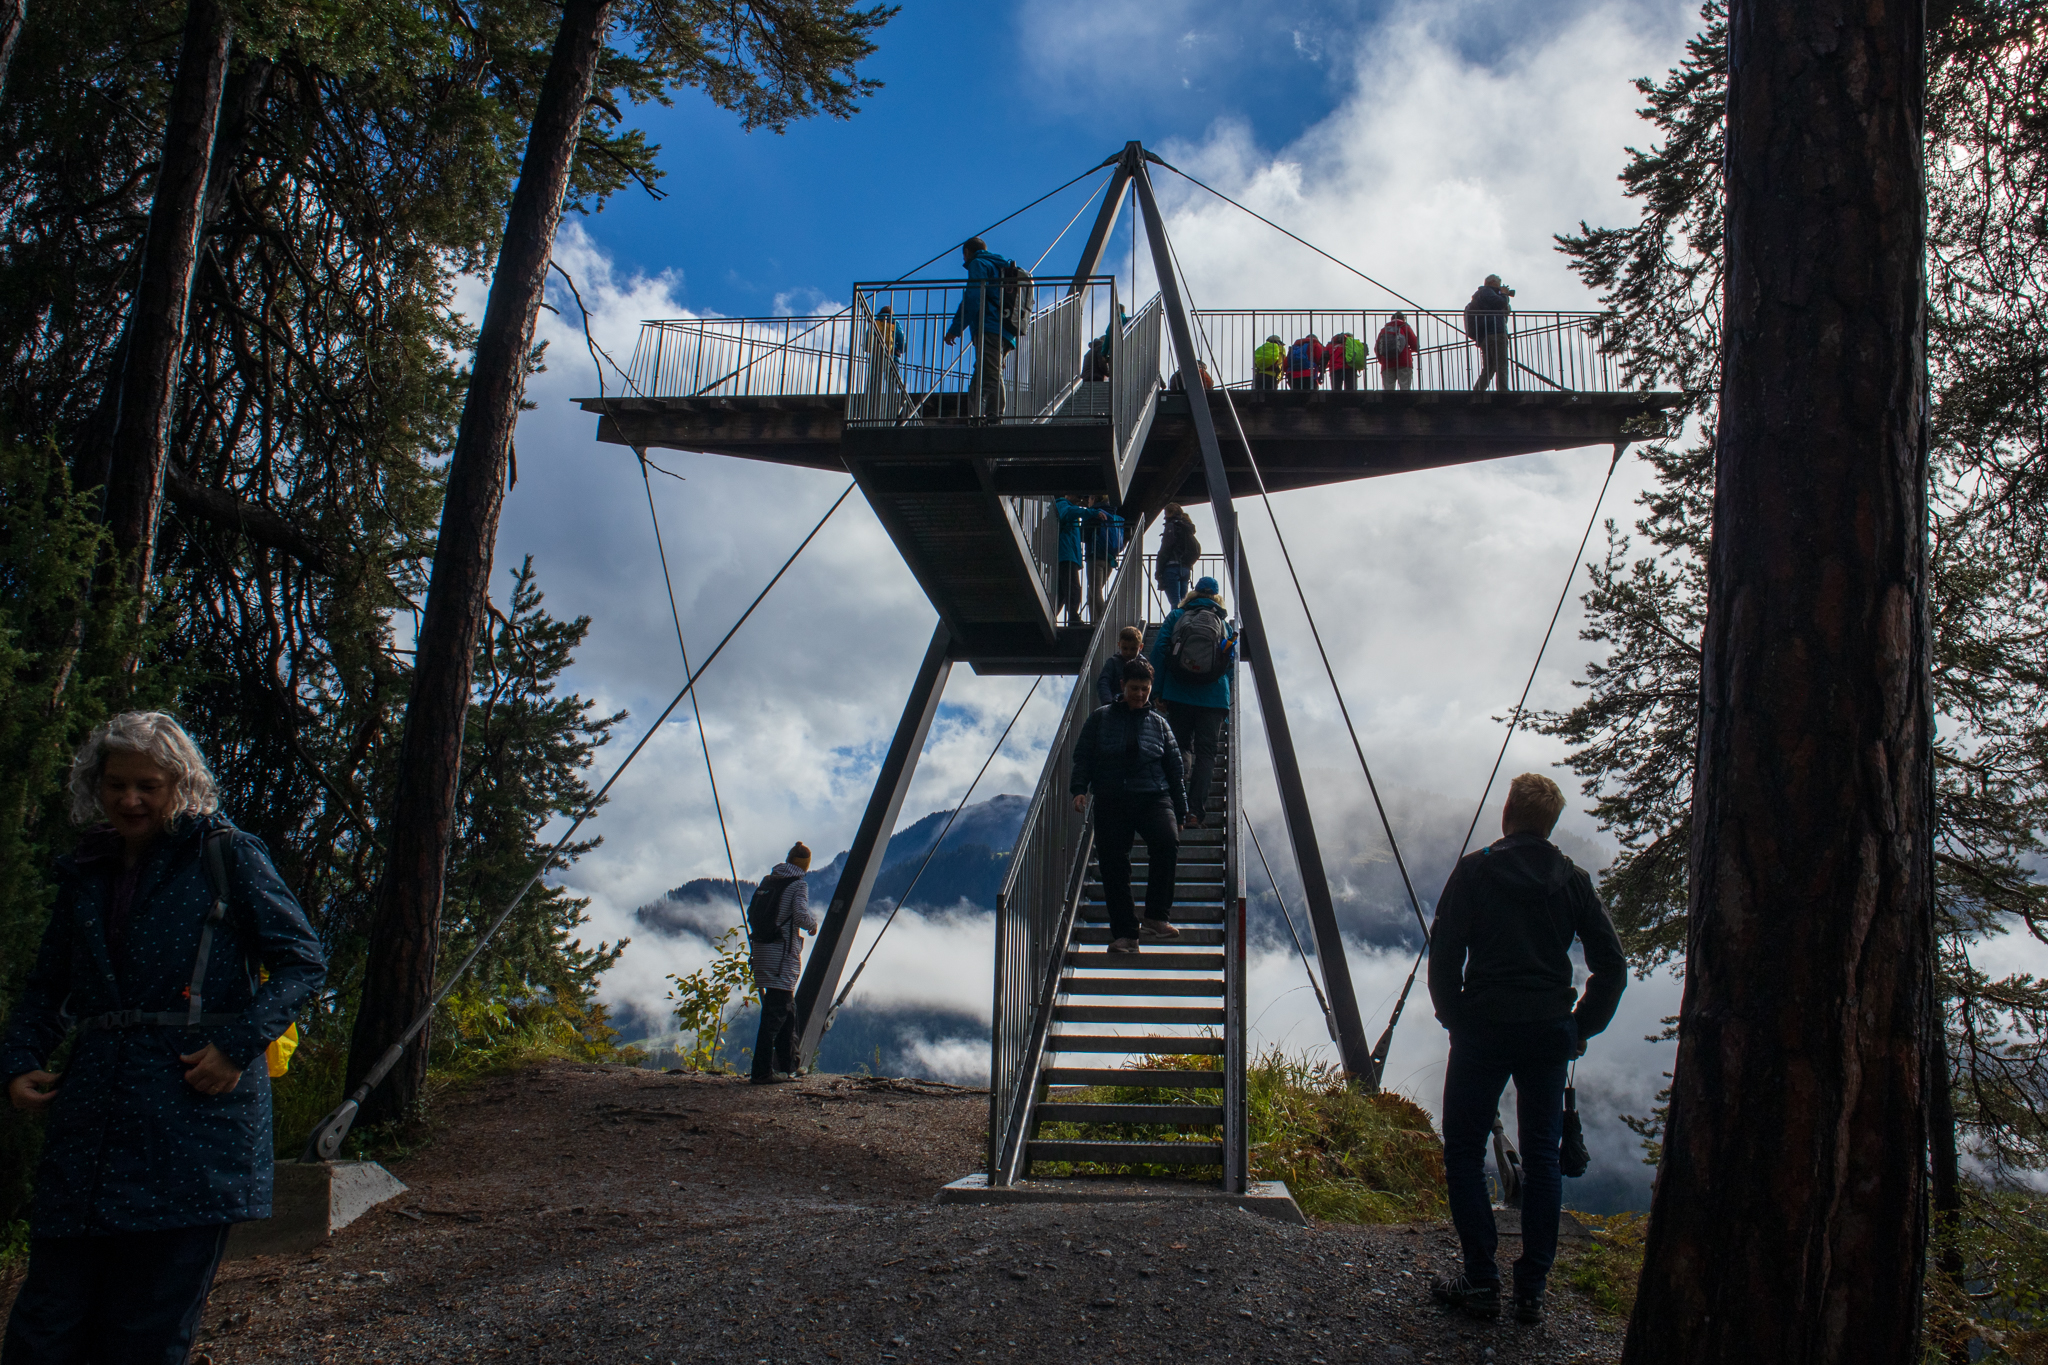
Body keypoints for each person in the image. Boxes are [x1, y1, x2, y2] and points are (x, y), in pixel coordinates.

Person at [3, 712, 327, 1365]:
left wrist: (238, 1046)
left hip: (193, 1125)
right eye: (117, 784)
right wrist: (19, 1058)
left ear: (180, 783)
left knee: (144, 1334)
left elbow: (302, 961)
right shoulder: (86, 871)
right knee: (44, 1327)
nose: (130, 799)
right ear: (96, 784)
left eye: (147, 784)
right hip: (90, 1126)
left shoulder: (225, 853)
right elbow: (46, 986)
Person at [1425, 773, 1627, 1326]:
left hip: (1484, 1027)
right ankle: (1531, 1290)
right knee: (1543, 1158)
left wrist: (1455, 1019)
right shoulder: (1572, 880)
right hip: (1547, 1032)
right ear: (1551, 823)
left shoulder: (1475, 870)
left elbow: (1444, 955)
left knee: (1464, 1151)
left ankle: (1482, 1281)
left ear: (1507, 811)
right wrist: (1581, 1027)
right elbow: (1612, 966)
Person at [1069, 658, 1187, 953]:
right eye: (1134, 688)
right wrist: (1079, 790)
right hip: (1112, 798)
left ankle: (1156, 917)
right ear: (1122, 686)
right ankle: (1126, 935)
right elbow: (1083, 756)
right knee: (1113, 864)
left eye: (1145, 690)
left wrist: (1182, 810)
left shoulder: (1160, 724)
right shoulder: (1100, 718)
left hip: (1153, 796)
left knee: (1167, 841)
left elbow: (1174, 769)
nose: (1139, 695)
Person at [1148, 577, 1237, 827]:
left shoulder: (1178, 615)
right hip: (1214, 698)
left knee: (1180, 749)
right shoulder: (1224, 625)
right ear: (1217, 597)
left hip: (1179, 693)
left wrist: (1158, 691)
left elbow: (1160, 650)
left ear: (1194, 592)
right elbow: (1229, 665)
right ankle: (1195, 813)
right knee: (1207, 755)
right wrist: (1225, 704)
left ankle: (1175, 806)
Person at [748, 842, 818, 1085]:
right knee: (775, 1014)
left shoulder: (770, 881)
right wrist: (813, 924)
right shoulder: (798, 885)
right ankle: (761, 1072)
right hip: (782, 956)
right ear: (805, 865)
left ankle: (790, 1066)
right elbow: (799, 915)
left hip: (762, 951)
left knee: (787, 1009)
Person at [944, 237, 1021, 420]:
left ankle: (994, 417)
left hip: (989, 327)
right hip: (1007, 330)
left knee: (992, 373)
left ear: (967, 252)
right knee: (980, 377)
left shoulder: (978, 264)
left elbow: (973, 297)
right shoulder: (999, 266)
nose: (963, 260)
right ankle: (974, 417)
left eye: (963, 256)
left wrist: (956, 328)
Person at [1052, 494, 1101, 627]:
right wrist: (1091, 512)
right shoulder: (1062, 504)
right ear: (1067, 495)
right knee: (1073, 589)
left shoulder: (1068, 507)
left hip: (1068, 554)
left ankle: (1052, 616)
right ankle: (1073, 619)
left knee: (1062, 592)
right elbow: (1067, 514)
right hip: (1066, 554)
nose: (1079, 497)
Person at [1463, 276, 1514, 393]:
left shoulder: (1481, 295)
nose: (1500, 287)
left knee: (1490, 366)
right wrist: (1504, 294)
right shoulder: (1487, 291)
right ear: (1492, 282)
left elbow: (1501, 309)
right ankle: (1503, 390)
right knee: (1501, 363)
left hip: (1487, 335)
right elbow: (1500, 303)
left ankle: (1479, 389)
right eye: (1499, 284)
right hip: (1496, 332)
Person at [1084, 495, 1123, 622]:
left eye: (1089, 499)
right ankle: (1094, 622)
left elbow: (1083, 535)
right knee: (1092, 593)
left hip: (1095, 557)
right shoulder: (1114, 516)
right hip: (1109, 559)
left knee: (1095, 593)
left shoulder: (1093, 513)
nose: (1087, 502)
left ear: (1094, 499)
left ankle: (1103, 624)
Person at [1154, 503, 1200, 609]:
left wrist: (1158, 571)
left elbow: (1165, 549)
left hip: (1171, 568)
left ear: (1170, 513)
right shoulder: (1186, 527)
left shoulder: (1171, 526)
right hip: (1185, 568)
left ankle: (1175, 625)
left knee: (1175, 603)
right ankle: (1184, 624)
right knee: (1183, 603)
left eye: (1165, 514)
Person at [1096, 625, 1145, 706]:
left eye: (1133, 649)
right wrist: (1108, 703)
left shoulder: (1144, 665)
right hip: (1117, 705)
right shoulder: (1113, 662)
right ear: (1119, 645)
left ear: (1141, 647)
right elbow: (1103, 683)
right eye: (1125, 648)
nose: (1128, 652)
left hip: (1138, 707)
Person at [1375, 310, 1419, 390]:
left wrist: (1382, 360)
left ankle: (1390, 402)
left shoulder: (1384, 330)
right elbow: (1415, 345)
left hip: (1387, 363)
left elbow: (1377, 348)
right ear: (1403, 319)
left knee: (1388, 390)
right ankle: (1405, 402)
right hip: (1404, 361)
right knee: (1405, 388)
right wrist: (1411, 350)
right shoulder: (1405, 327)